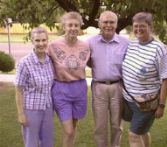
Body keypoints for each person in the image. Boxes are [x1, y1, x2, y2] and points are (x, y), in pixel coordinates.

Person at [122, 12, 167, 147]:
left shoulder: (158, 49)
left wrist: (161, 105)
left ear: (150, 27)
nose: (138, 29)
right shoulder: (131, 45)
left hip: (146, 104)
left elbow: (166, 79)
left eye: (142, 26)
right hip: (128, 100)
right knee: (143, 132)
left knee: (133, 134)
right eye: (135, 26)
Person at [48, 12, 90, 147]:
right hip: (61, 90)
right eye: (70, 25)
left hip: (80, 89)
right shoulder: (53, 45)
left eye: (76, 25)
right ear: (64, 26)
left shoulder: (85, 46)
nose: (73, 28)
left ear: (80, 27)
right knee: (69, 130)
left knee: (73, 127)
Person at [88, 11, 129, 147]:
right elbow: (86, 61)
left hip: (118, 86)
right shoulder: (90, 43)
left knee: (116, 125)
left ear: (116, 24)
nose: (108, 25)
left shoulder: (125, 42)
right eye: (105, 22)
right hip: (98, 87)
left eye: (112, 22)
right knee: (100, 126)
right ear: (99, 24)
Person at [15, 27, 54, 147]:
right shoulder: (24, 63)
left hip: (47, 108)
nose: (41, 43)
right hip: (31, 110)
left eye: (44, 40)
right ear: (32, 41)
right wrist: (21, 114)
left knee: (47, 142)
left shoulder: (50, 60)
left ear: (48, 41)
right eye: (37, 40)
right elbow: (18, 90)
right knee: (31, 143)